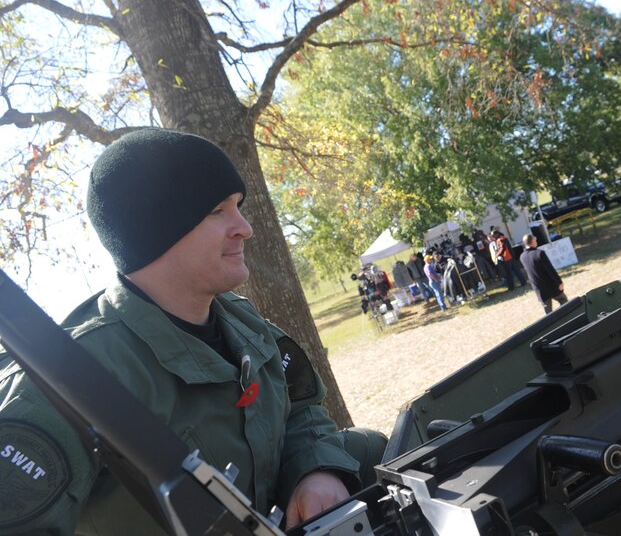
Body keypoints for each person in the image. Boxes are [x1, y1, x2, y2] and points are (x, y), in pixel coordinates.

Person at [0, 129, 387, 535]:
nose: (245, 227)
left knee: (374, 448)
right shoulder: (72, 375)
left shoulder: (238, 319)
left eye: (238, 206)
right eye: (218, 211)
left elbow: (302, 409)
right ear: (156, 230)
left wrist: (317, 470)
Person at [519, 234, 568, 314]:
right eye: (535, 239)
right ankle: (565, 316)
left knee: (548, 312)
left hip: (539, 289)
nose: (536, 240)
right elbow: (550, 269)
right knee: (563, 300)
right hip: (551, 286)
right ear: (532, 241)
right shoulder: (539, 253)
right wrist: (559, 282)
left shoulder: (522, 257)